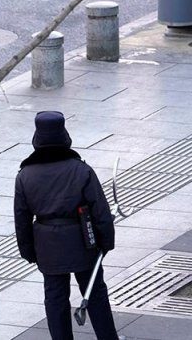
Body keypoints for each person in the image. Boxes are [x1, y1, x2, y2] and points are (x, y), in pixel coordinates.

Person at [14, 111, 120, 340]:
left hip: (47, 245)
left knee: (55, 297)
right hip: (84, 241)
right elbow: (100, 210)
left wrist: (28, 251)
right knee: (95, 293)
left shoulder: (25, 176)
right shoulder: (81, 170)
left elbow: (21, 219)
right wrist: (106, 242)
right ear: (64, 135)